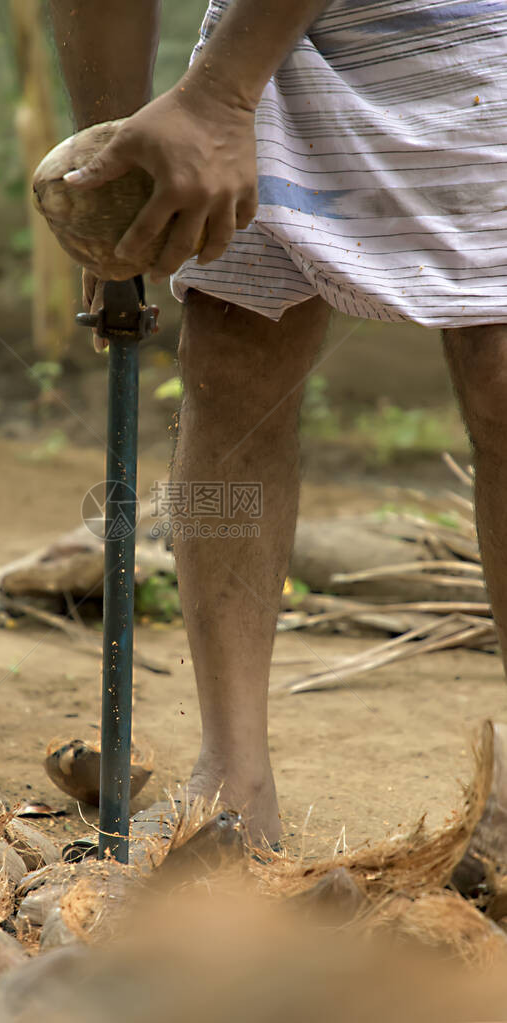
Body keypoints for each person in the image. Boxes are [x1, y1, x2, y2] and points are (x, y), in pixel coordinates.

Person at [50, 0, 507, 849]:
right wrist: (114, 184)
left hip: (473, 25)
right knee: (233, 359)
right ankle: (232, 772)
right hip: (272, 43)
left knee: (501, 374)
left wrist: (220, 94)